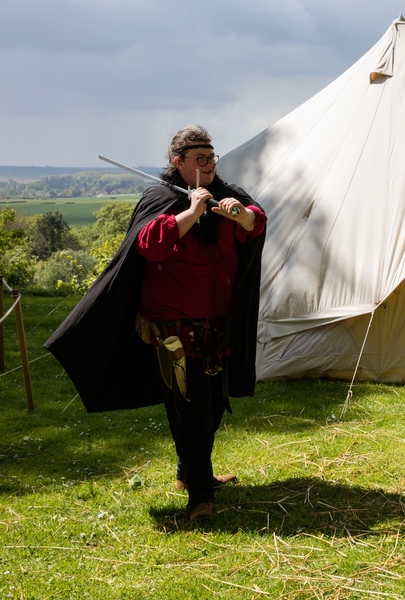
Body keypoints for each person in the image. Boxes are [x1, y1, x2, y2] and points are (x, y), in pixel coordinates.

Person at [46, 125, 267, 522]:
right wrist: (192, 212)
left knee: (214, 404)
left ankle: (189, 473)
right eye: (200, 159)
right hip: (176, 332)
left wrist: (241, 215)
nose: (209, 165)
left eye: (212, 157)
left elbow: (258, 222)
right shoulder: (160, 197)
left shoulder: (227, 192)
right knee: (190, 410)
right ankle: (201, 496)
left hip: (218, 325)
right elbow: (148, 244)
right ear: (178, 162)